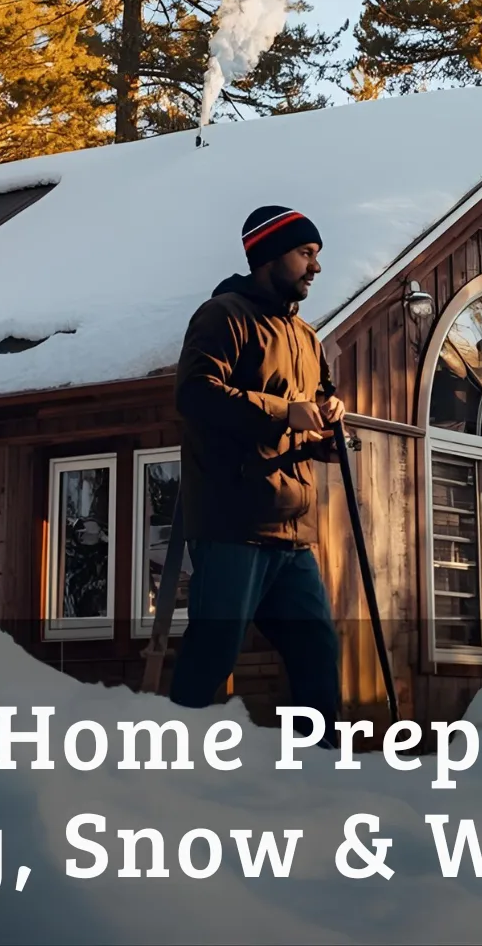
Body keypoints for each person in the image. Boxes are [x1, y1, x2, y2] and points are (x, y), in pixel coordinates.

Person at [170, 205, 348, 732]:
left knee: (316, 650)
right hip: (234, 521)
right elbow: (196, 394)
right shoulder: (222, 315)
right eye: (306, 253)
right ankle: (170, 765)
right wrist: (282, 412)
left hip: (292, 531)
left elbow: (312, 416)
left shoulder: (307, 338)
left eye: (317, 256)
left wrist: (328, 436)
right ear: (269, 255)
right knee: (212, 654)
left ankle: (317, 768)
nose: (315, 267)